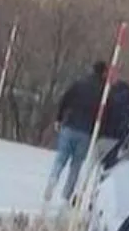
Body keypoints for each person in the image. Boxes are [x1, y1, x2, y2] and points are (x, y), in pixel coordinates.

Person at [44, 60, 108, 203]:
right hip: (86, 132)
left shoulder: (79, 83)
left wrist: (59, 119)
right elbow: (104, 113)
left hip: (70, 126)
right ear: (103, 73)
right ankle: (66, 196)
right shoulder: (103, 91)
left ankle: (53, 179)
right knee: (76, 165)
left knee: (60, 158)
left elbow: (64, 100)